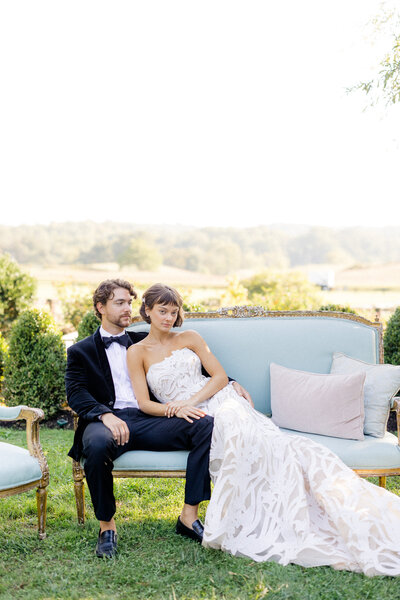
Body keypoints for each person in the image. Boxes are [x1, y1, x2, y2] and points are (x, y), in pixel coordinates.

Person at [127, 283, 400, 577]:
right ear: (147, 311)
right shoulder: (137, 352)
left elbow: (218, 377)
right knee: (243, 440)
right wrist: (177, 408)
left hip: (220, 401)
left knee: (267, 441)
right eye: (161, 311)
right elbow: (144, 403)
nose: (168, 317)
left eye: (173, 311)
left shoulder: (190, 337)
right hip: (187, 415)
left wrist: (194, 401)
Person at [66, 278, 250, 558]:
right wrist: (104, 415)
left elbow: (185, 369)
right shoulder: (80, 351)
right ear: (100, 307)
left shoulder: (143, 340)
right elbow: (76, 393)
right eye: (119, 303)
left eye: (129, 302)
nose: (127, 308)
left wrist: (230, 382)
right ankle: (107, 527)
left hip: (150, 417)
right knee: (96, 446)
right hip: (107, 420)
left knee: (204, 425)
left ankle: (189, 516)